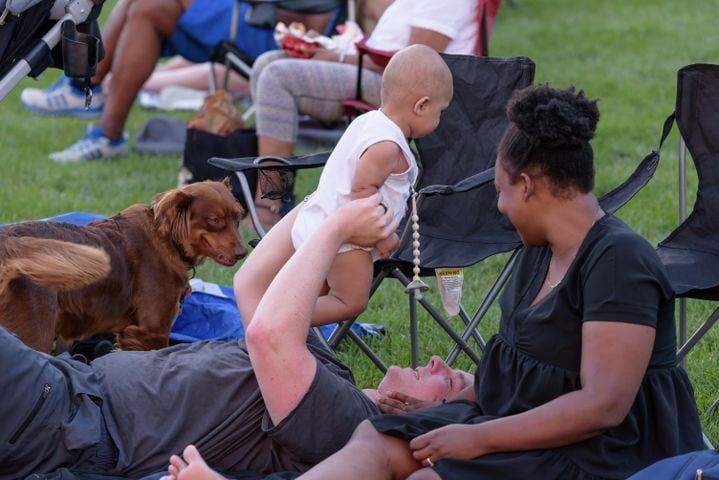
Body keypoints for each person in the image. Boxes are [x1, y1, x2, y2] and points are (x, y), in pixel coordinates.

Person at [163, 86, 706, 480]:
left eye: (501, 191)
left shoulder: (618, 259)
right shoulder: (537, 255)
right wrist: (465, 394)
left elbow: (603, 406)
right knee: (382, 438)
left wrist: (476, 436)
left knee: (431, 475)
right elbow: (532, 371)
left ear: (529, 185)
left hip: (606, 450)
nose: (498, 205)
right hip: (521, 424)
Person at [0, 194, 473, 480]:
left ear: (423, 419)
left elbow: (269, 336)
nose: (437, 360)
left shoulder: (350, 421)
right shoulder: (334, 374)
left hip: (68, 423)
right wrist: (326, 200)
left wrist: (335, 230)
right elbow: (252, 290)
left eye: (450, 381)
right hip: (65, 389)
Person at [235, 44, 452, 331]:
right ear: (421, 105)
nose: (439, 120)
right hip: (348, 239)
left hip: (316, 220)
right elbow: (362, 192)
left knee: (317, 290)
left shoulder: (368, 122)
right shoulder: (387, 146)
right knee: (350, 301)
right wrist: (384, 236)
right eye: (440, 112)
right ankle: (280, 318)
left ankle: (284, 318)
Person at [248, 0, 479, 223]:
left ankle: (269, 205)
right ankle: (277, 192)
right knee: (265, 63)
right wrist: (329, 47)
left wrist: (337, 57)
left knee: (276, 77)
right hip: (378, 72)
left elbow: (415, 71)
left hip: (399, 89)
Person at [19, 0, 334, 163]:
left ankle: (93, 102)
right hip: (256, 14)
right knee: (143, 7)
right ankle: (90, 95)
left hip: (283, 30)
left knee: (150, 6)